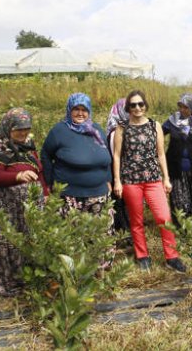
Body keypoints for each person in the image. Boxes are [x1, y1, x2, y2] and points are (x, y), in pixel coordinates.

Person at [112, 90, 186, 273]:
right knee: (137, 220)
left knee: (164, 217)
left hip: (153, 179)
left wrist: (166, 178)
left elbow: (160, 153)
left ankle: (172, 257)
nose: (137, 108)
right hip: (131, 180)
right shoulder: (122, 127)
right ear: (128, 108)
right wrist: (117, 181)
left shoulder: (155, 125)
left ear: (145, 105)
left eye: (140, 104)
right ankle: (142, 255)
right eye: (133, 105)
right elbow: (117, 155)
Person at [41, 93, 115, 267]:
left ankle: (100, 271)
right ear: (69, 110)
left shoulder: (96, 130)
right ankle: (74, 274)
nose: (80, 113)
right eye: (76, 109)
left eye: (84, 109)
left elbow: (106, 157)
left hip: (99, 194)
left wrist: (108, 178)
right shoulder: (59, 131)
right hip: (70, 196)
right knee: (73, 236)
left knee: (100, 235)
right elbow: (45, 155)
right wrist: (51, 182)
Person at [0, 108, 48, 297]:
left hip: (28, 205)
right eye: (19, 129)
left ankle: (28, 279)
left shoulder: (28, 144)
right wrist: (18, 176)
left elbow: (39, 170)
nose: (23, 133)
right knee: (8, 240)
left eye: (27, 128)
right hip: (6, 205)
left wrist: (44, 192)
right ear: (8, 127)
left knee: (29, 238)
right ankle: (9, 282)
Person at [162, 93, 192, 219]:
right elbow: (159, 132)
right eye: (180, 106)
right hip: (177, 168)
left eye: (186, 107)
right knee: (179, 201)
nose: (182, 110)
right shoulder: (173, 120)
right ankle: (181, 229)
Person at [105, 98, 131, 235]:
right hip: (120, 175)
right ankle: (124, 232)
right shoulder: (116, 131)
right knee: (121, 204)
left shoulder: (126, 127)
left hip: (123, 174)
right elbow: (117, 156)